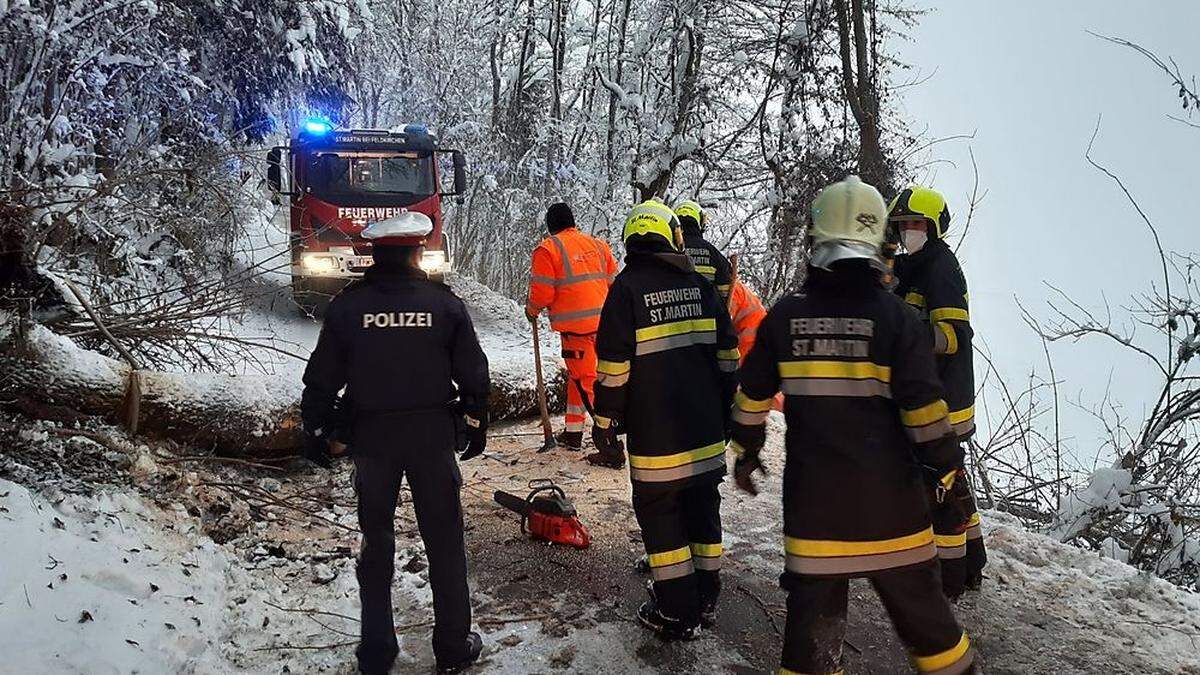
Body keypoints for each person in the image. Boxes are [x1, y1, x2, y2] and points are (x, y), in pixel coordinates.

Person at [730, 176, 976, 674]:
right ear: (877, 241)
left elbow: (751, 397)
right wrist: (950, 479)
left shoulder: (786, 318)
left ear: (814, 242)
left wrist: (747, 452)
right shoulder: (898, 320)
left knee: (808, 655)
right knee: (938, 642)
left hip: (816, 521)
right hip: (896, 522)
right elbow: (927, 418)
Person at [300, 211, 490, 675]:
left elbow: (321, 378)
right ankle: (451, 646)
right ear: (416, 252)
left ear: (374, 252)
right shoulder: (443, 305)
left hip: (373, 442)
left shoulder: (348, 306)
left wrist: (316, 429)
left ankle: (377, 650)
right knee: (444, 543)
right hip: (431, 439)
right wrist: (476, 420)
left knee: (377, 542)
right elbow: (474, 374)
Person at [588, 198, 740, 638]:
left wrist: (605, 424)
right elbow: (729, 356)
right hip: (707, 429)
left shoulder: (626, 290)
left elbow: (613, 368)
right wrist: (729, 408)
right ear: (672, 236)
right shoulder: (701, 285)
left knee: (662, 517)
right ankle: (706, 596)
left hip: (658, 440)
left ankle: (676, 611)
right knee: (703, 509)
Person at [889, 185, 988, 599]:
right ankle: (973, 561)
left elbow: (952, 336)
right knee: (951, 478)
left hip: (940, 402)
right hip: (928, 397)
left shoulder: (941, 268)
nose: (905, 231)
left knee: (937, 486)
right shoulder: (913, 265)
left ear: (931, 226)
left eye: (913, 224)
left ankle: (949, 580)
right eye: (901, 225)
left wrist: (905, 332)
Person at [526, 202, 620, 451]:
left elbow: (542, 294)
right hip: (605, 328)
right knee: (578, 380)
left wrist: (532, 310)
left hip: (577, 332)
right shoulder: (599, 245)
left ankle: (609, 443)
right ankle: (574, 433)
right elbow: (615, 284)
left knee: (588, 384)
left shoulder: (548, 249)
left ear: (550, 226)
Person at [675, 200, 733, 301]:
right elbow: (725, 294)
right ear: (700, 221)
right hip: (707, 314)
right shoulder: (713, 253)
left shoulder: (668, 249)